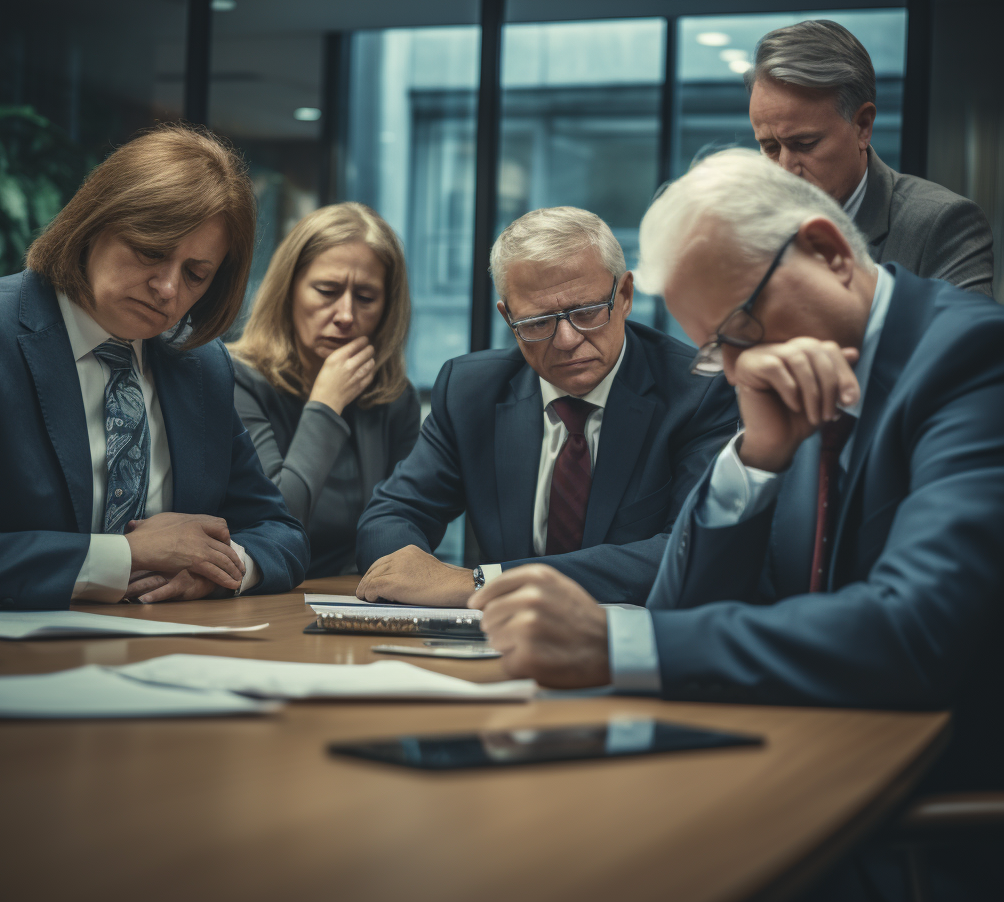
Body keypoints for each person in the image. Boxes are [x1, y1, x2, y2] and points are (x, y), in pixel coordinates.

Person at [470, 149, 1004, 801]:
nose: (736, 371)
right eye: (716, 349)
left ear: (828, 251)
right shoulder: (794, 379)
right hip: (786, 764)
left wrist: (619, 643)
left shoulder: (973, 361)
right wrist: (754, 459)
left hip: (925, 813)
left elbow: (916, 634)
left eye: (742, 329)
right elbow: (683, 611)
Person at [0, 126, 309, 610]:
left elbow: (280, 534)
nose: (168, 289)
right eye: (150, 252)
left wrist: (215, 570)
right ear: (93, 224)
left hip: (169, 652)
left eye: (196, 274)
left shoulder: (200, 365)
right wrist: (124, 556)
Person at [354, 206, 739, 607]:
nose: (568, 339)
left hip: (632, 648)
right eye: (538, 322)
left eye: (586, 312)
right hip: (496, 644)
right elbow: (390, 517)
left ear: (624, 295)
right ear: (507, 317)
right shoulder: (471, 391)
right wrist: (408, 573)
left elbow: (692, 550)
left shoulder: (699, 392)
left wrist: (485, 582)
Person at [228, 203, 420, 577]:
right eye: (327, 290)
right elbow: (275, 521)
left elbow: (403, 525)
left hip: (355, 598)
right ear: (289, 291)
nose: (346, 315)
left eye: (365, 298)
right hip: (258, 592)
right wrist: (327, 403)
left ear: (387, 308)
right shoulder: (235, 380)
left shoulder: (394, 398)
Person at [745, 19, 994, 295]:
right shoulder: (747, 225)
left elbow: (968, 338)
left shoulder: (941, 225)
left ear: (862, 126)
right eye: (769, 147)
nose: (785, 169)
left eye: (804, 144)